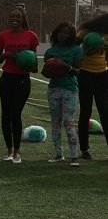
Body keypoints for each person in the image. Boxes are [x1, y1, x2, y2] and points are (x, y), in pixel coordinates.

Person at [0, 6, 40, 164]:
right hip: (6, 79)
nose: (15, 19)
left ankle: (17, 151)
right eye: (12, 16)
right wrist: (8, 55)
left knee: (15, 114)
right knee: (5, 115)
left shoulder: (31, 36)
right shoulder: (3, 36)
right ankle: (9, 150)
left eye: (18, 17)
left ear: (23, 19)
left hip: (23, 80)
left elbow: (34, 66)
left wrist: (25, 61)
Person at [44, 22, 84, 166]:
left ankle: (74, 156)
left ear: (71, 35)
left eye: (66, 32)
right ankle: (58, 154)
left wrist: (64, 65)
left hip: (70, 89)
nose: (62, 35)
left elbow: (77, 71)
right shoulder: (50, 52)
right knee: (55, 122)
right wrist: (49, 69)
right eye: (60, 32)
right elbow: (45, 73)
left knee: (68, 121)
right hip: (54, 89)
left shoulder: (76, 50)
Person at [74, 13, 108, 159]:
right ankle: (84, 150)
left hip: (103, 74)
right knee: (85, 111)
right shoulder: (86, 31)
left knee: (105, 112)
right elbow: (71, 48)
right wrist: (86, 52)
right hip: (86, 74)